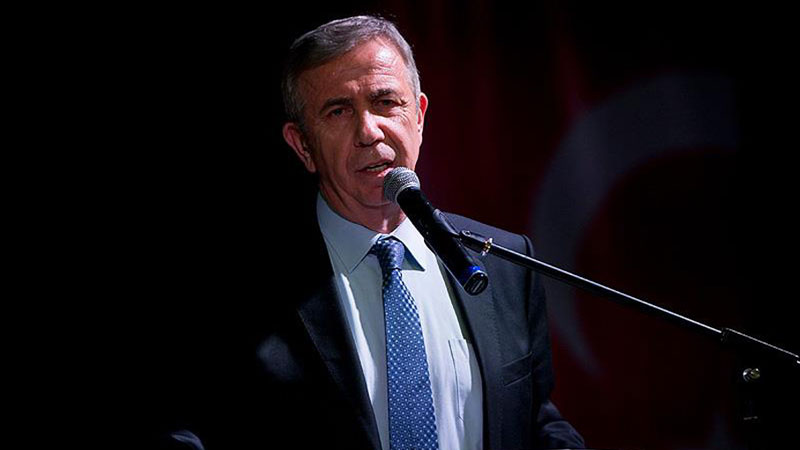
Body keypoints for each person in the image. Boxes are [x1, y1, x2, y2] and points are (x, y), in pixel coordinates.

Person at [158, 15, 584, 450]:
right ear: (302, 145)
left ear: (418, 116)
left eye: (385, 102)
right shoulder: (235, 284)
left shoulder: (506, 263)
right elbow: (191, 429)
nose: (368, 130)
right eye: (338, 111)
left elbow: (532, 417)